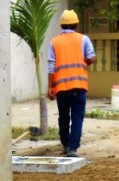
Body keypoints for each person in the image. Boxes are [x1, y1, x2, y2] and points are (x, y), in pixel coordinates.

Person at [46, 9, 95, 158]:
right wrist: (84, 61)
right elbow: (91, 58)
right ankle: (73, 149)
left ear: (61, 25)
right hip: (79, 86)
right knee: (77, 118)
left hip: (61, 87)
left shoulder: (54, 42)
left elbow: (51, 65)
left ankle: (65, 145)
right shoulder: (83, 39)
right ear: (76, 25)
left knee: (63, 117)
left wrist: (50, 87)